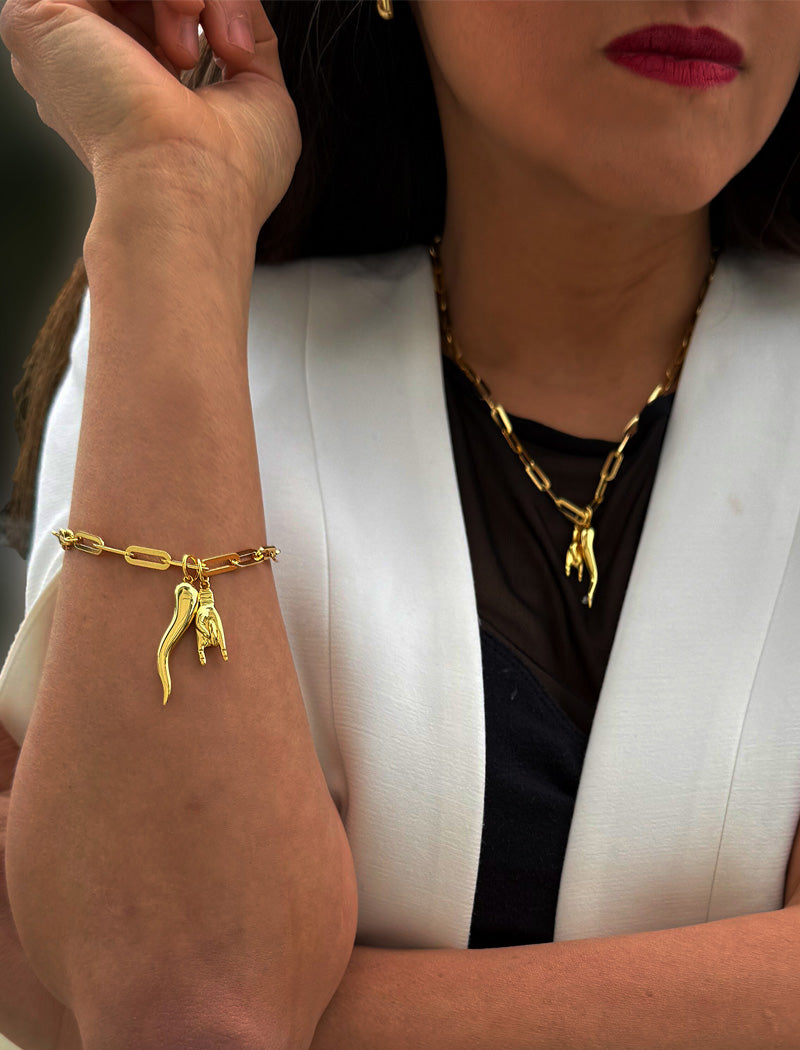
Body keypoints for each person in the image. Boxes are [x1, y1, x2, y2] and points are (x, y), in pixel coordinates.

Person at [1, 0, 800, 1047]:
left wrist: (276, 1013)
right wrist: (169, 189)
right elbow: (185, 999)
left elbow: (182, 1012)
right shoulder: (183, 335)